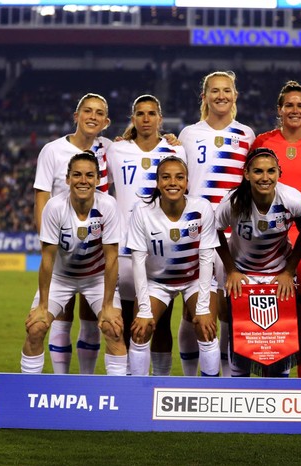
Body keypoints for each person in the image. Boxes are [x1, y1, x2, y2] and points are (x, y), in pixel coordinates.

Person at [252, 80, 301, 378]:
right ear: (280, 110)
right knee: (273, 309)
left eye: (300, 105)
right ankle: (274, 375)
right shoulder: (263, 141)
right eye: (289, 105)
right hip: (271, 239)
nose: (295, 110)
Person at [21, 152, 126, 376]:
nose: (83, 180)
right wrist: (42, 306)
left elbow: (112, 258)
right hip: (61, 277)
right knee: (36, 328)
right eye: (77, 175)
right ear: (68, 179)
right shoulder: (54, 207)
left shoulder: (108, 205)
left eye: (89, 175)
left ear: (98, 180)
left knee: (113, 328)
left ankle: (118, 399)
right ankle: (26, 396)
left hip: (96, 277)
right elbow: (47, 259)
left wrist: (108, 305)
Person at [179, 71, 255, 376]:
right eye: (214, 91)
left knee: (229, 310)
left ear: (235, 96)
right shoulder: (187, 134)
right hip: (196, 236)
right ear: (204, 97)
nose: (221, 95)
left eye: (227, 90)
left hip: (234, 237)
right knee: (193, 311)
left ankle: (226, 379)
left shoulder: (247, 135)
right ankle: (188, 380)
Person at [106, 94, 186, 376]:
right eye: (140, 113)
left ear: (160, 119)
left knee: (160, 321)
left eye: (152, 113)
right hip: (125, 248)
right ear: (133, 119)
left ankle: (160, 379)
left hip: (161, 248)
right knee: (129, 316)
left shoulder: (175, 151)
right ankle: (130, 378)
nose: (146, 118)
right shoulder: (117, 151)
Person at [32, 93, 112, 374]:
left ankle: (85, 382)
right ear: (75, 116)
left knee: (93, 320)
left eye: (99, 112)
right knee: (60, 318)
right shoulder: (52, 150)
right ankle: (61, 382)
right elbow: (41, 197)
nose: (92, 116)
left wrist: (171, 141)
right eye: (87, 111)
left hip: (95, 252)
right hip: (63, 249)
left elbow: (140, 149)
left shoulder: (110, 149)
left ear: (106, 121)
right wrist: (49, 243)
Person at [215, 147, 301, 377]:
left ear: (279, 172)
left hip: (279, 274)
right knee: (242, 342)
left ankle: (277, 394)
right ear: (247, 174)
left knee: (278, 347)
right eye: (258, 171)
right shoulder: (232, 201)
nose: (265, 177)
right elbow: (215, 231)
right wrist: (231, 270)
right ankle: (238, 394)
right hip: (243, 274)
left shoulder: (293, 199)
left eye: (271, 171)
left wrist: (289, 270)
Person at [125, 156, 220, 376]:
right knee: (141, 330)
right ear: (157, 182)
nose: (173, 182)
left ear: (187, 182)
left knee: (206, 329)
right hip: (156, 282)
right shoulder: (142, 211)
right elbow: (137, 262)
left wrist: (204, 308)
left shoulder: (202, 207)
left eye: (179, 177)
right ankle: (141, 392)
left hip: (194, 278)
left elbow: (207, 258)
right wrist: (145, 311)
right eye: (165, 177)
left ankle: (209, 389)